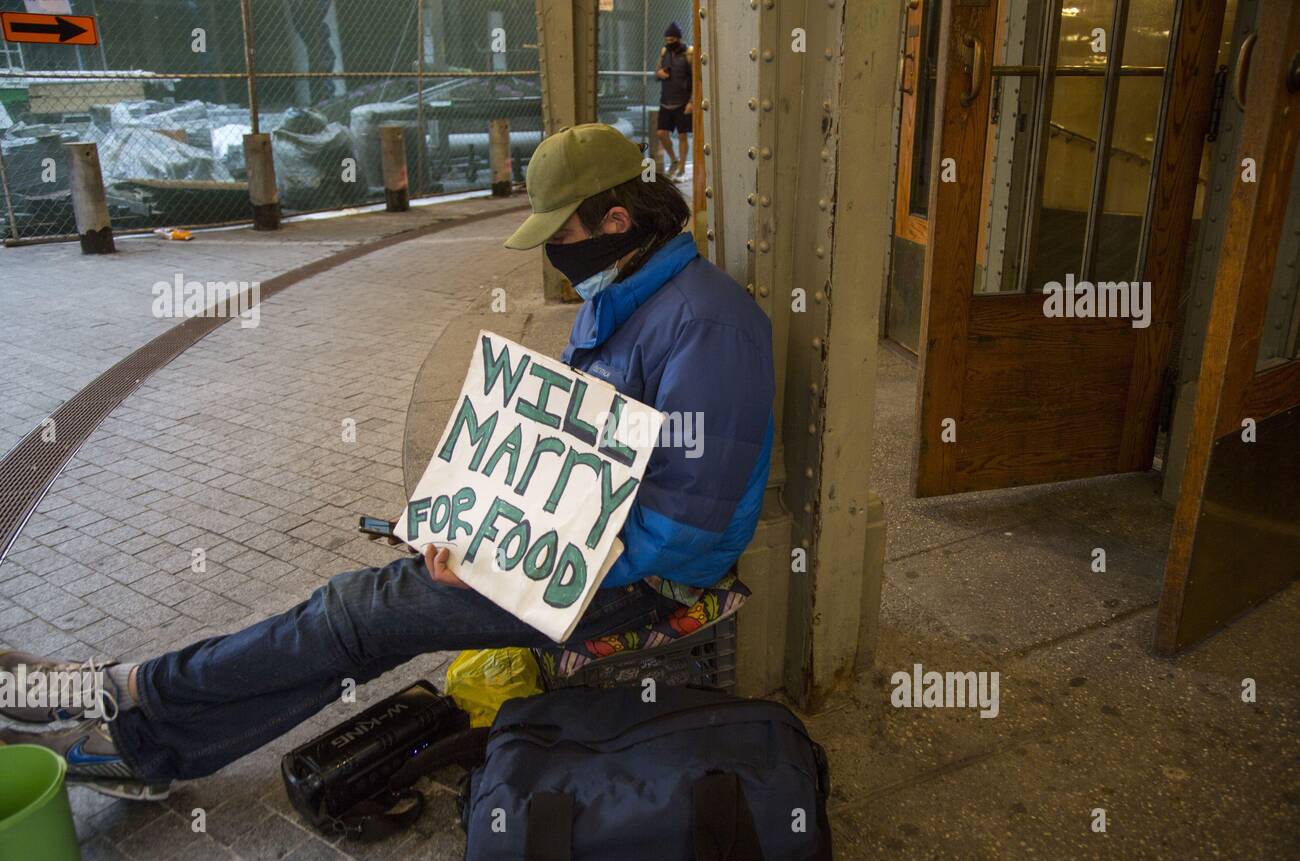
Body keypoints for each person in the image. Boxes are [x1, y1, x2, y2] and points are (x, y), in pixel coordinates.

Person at [0, 124, 775, 800]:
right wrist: (477, 513)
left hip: (634, 579)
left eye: (558, 238)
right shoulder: (628, 292)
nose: (552, 256)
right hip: (577, 550)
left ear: (615, 218)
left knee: (357, 613)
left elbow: (684, 529)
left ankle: (120, 693)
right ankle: (141, 739)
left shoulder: (709, 327)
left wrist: (511, 562)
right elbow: (565, 452)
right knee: (358, 623)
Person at [654, 21, 693, 182]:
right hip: (666, 100)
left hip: (683, 101)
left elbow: (696, 79)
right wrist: (659, 74)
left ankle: (682, 169)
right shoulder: (664, 52)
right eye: (667, 39)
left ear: (679, 38)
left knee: (683, 135)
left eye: (672, 39)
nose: (669, 42)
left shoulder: (688, 54)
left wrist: (691, 101)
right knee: (661, 133)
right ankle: (674, 160)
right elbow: (656, 72)